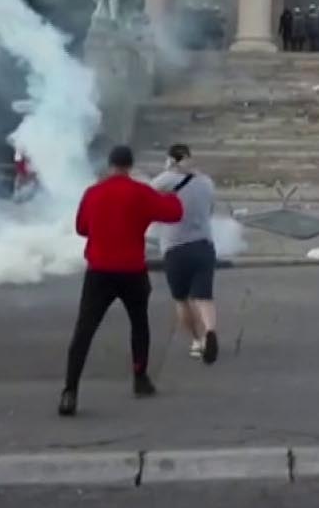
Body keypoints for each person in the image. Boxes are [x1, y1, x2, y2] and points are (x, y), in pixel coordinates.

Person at [60, 145, 183, 416]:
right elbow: (174, 214)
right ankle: (140, 378)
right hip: (131, 270)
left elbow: (82, 228)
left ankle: (70, 390)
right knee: (139, 324)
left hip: (99, 270)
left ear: (110, 164)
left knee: (84, 331)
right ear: (130, 165)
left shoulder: (93, 192)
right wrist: (171, 195)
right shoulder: (140, 192)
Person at [152, 144, 220, 364]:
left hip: (175, 248)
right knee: (204, 296)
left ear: (171, 160)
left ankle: (197, 341)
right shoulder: (206, 182)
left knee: (181, 300)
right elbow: (210, 210)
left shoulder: (164, 180)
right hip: (204, 245)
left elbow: (145, 200)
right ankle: (210, 331)